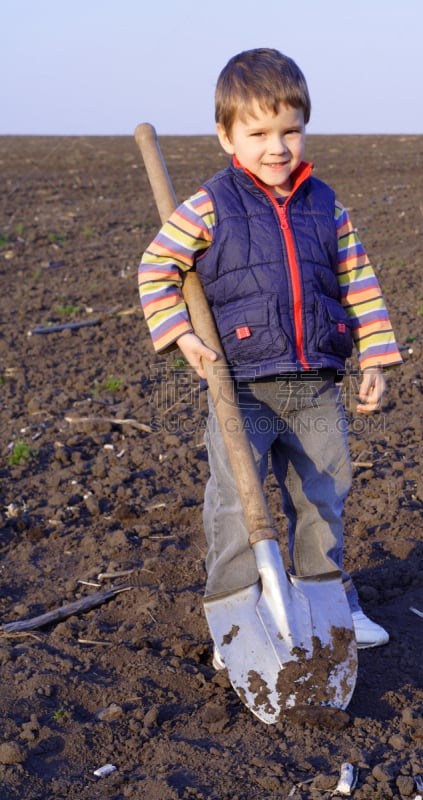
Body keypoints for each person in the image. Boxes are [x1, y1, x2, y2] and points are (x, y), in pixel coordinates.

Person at [138, 48, 402, 661]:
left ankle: (328, 599)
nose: (277, 147)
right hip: (241, 386)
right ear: (227, 137)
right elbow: (157, 268)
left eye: (290, 130)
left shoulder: (325, 206)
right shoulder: (209, 204)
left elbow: (358, 281)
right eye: (258, 133)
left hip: (314, 382)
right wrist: (182, 335)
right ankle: (234, 614)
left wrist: (376, 360)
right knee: (235, 502)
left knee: (322, 495)